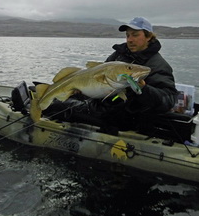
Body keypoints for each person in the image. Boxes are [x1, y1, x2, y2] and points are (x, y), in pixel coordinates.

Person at [44, 17, 178, 132]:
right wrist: (80, 90)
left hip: (122, 117)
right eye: (127, 35)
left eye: (135, 35)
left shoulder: (158, 65)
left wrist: (144, 89)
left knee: (56, 106)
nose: (130, 39)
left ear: (149, 37)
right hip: (101, 104)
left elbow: (169, 100)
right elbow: (96, 80)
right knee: (60, 98)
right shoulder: (120, 54)